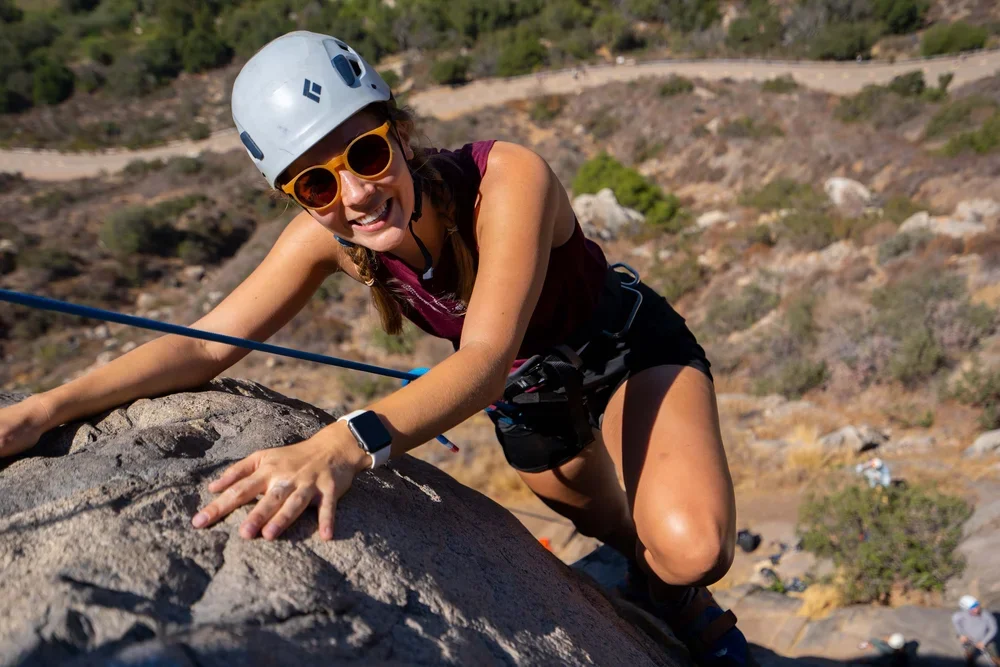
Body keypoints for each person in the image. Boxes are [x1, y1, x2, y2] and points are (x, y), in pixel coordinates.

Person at [0, 31, 747, 665]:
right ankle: (659, 595)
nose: (354, 193)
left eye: (364, 152)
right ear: (296, 197)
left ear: (399, 132)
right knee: (616, 530)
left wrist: (347, 443)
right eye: (317, 184)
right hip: (530, 394)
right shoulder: (328, 240)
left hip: (618, 344)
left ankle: (684, 594)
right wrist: (46, 408)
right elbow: (204, 347)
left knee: (690, 548)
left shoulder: (505, 179)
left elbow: (483, 357)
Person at [953, 595, 1000, 665]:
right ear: (966, 609)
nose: (976, 609)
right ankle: (970, 663)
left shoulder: (986, 615)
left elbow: (993, 628)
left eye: (977, 605)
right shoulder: (960, 615)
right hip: (969, 640)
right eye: (972, 608)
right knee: (969, 654)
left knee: (996, 658)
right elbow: (955, 620)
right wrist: (961, 634)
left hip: (985, 639)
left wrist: (984, 642)